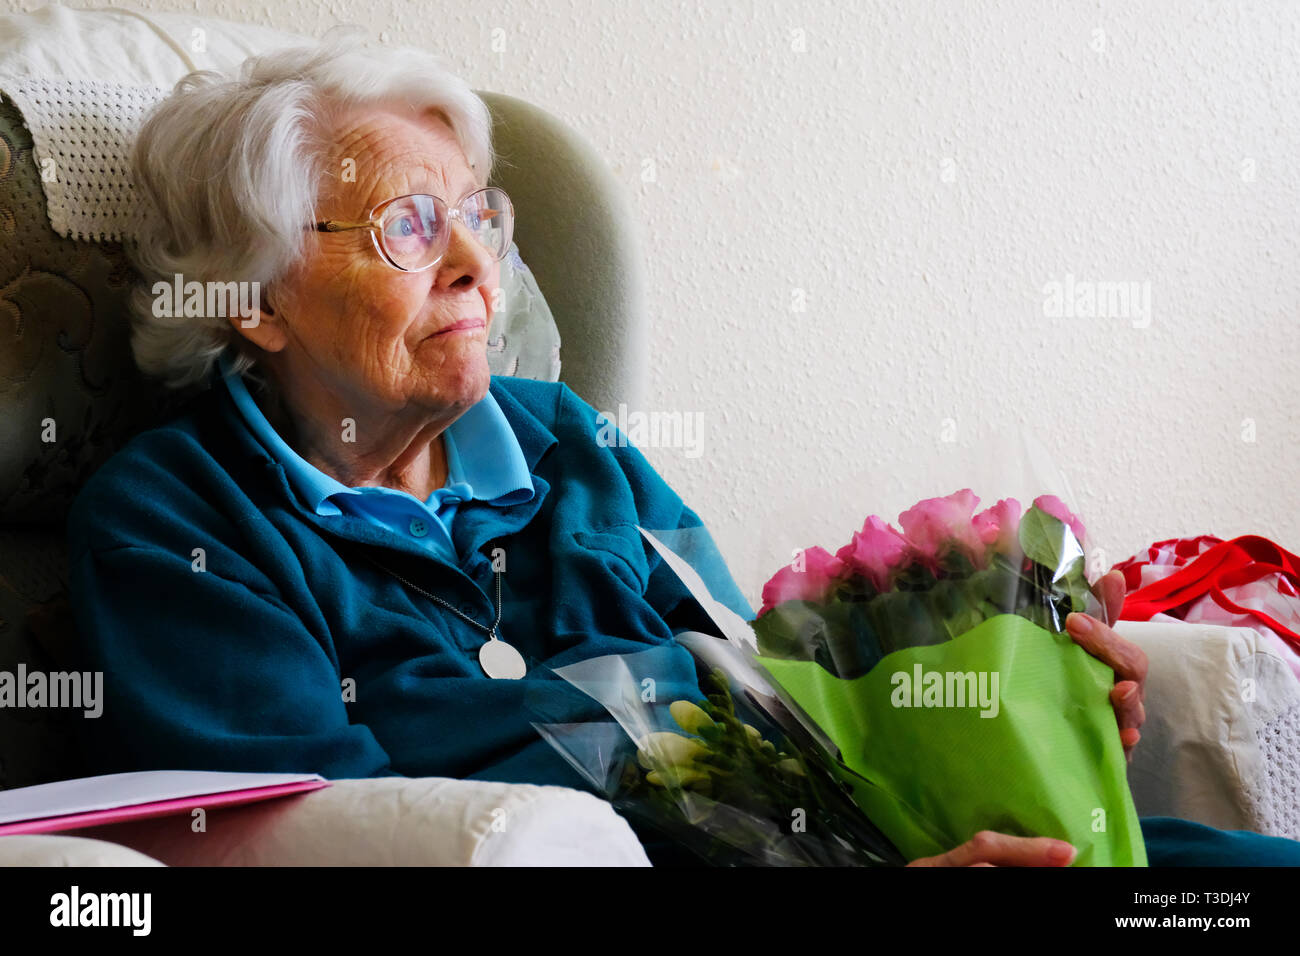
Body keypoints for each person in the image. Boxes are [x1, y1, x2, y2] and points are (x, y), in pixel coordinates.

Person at [64, 33, 1300, 867]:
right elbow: (318, 841)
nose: (474, 265)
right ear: (255, 295)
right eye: (408, 224)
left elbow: (770, 681)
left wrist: (1007, 694)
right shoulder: (179, 519)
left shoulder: (561, 436)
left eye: (480, 216)